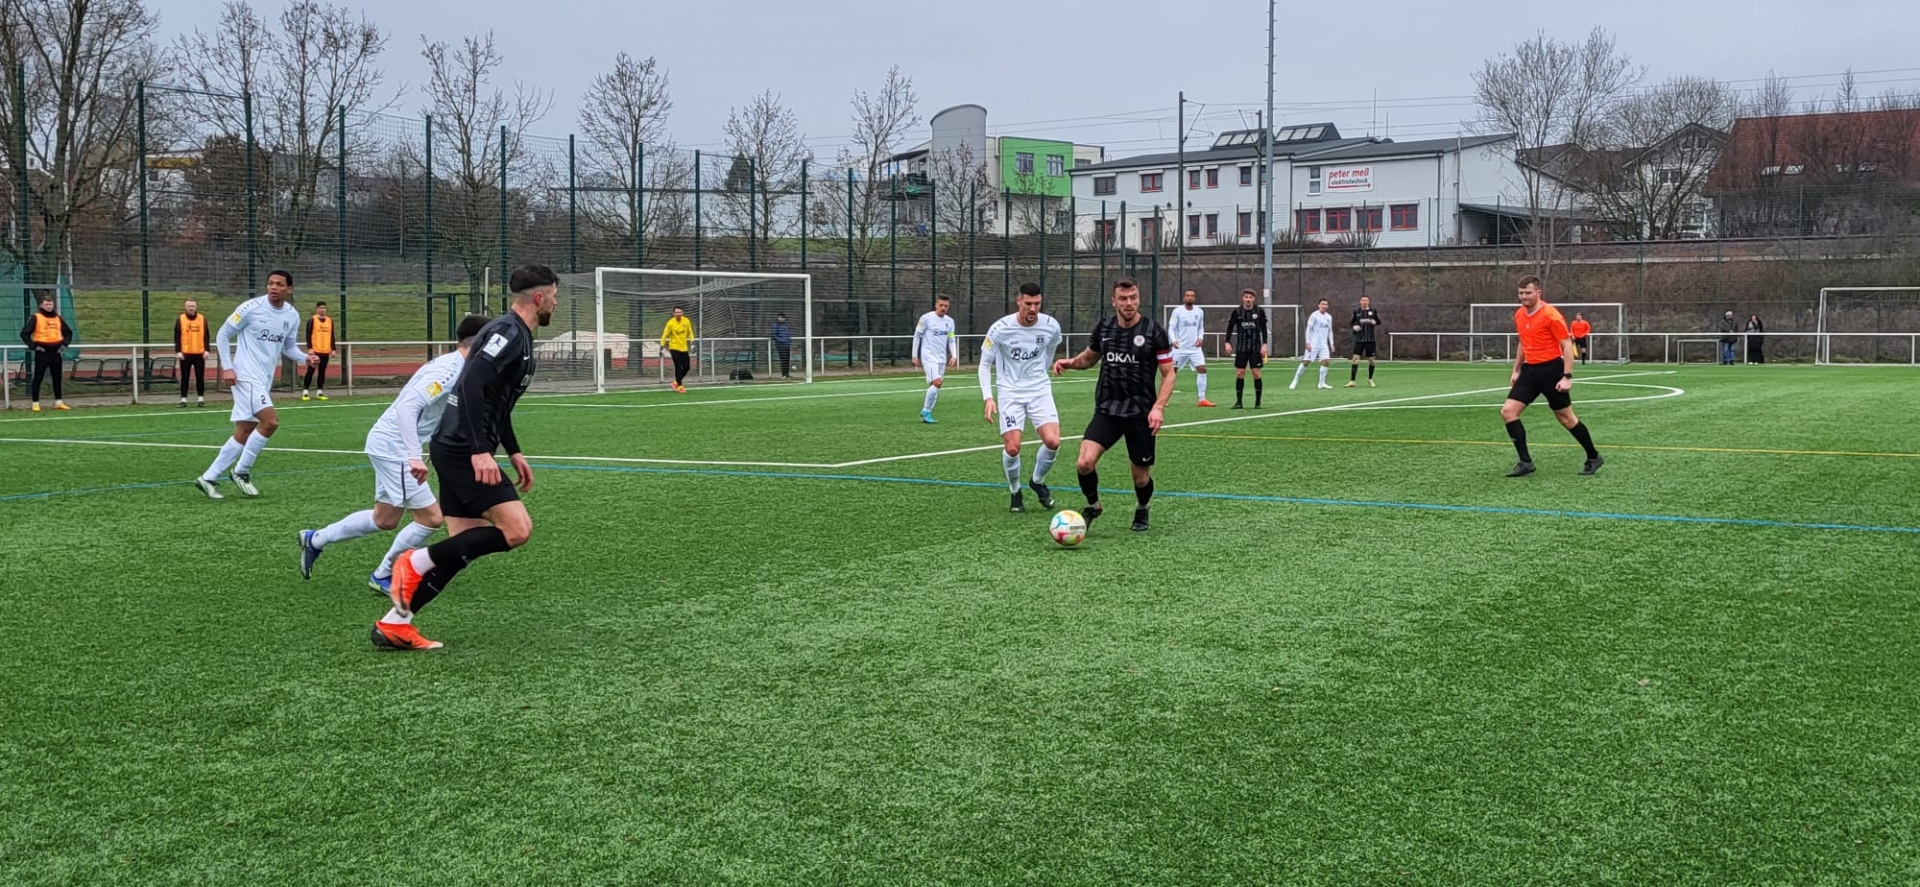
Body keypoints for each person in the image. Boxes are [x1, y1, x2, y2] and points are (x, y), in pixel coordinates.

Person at [382, 264, 557, 651]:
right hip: (462, 448)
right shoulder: (508, 332)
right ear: (539, 298)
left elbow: (498, 403)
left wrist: (513, 450)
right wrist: (480, 451)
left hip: (456, 446)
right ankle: (413, 561)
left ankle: (396, 622)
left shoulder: (519, 335)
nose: (555, 304)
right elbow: (472, 383)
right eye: (554, 297)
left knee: (462, 547)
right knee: (517, 530)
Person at [300, 314, 489, 593]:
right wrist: (413, 455)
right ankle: (384, 574)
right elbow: (407, 407)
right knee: (431, 519)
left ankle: (315, 539)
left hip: (390, 443)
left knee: (384, 519)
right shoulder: (449, 370)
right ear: (480, 342)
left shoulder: (457, 366)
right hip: (395, 446)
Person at [1052, 278, 1176, 533]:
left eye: (1133, 298)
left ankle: (1142, 507)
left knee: (1140, 479)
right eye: (1123, 298)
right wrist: (1070, 363)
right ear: (1114, 301)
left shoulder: (1153, 331)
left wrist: (1158, 407)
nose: (1129, 303)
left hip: (1140, 412)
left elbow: (1169, 374)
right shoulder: (1104, 328)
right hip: (1108, 409)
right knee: (1084, 463)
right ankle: (1093, 506)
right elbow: (1089, 358)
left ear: (1139, 299)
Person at [193, 270, 315, 499]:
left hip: (263, 378)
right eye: (270, 283)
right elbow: (223, 334)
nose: (273, 287)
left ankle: (207, 478)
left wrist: (305, 358)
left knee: (245, 430)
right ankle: (241, 471)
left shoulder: (292, 315)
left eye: (279, 284)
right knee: (270, 422)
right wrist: (227, 367)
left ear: (289, 289)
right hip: (245, 376)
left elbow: (289, 347)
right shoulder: (250, 308)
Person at [1502, 275, 1602, 477]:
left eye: (1528, 293)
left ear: (1538, 293)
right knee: (1508, 412)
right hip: (1530, 371)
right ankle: (1525, 462)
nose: (1524, 297)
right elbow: (1523, 342)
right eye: (1521, 293)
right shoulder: (1520, 315)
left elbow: (1566, 345)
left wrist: (1567, 376)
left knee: (1566, 419)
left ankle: (1593, 456)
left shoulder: (1550, 315)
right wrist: (1516, 369)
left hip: (1551, 371)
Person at [980, 283, 1065, 513]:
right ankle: (1015, 490)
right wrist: (988, 398)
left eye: (1037, 304)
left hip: (1039, 390)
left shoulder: (1051, 326)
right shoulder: (1000, 329)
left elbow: (1050, 350)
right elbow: (985, 364)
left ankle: (1037, 481)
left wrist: (1041, 374)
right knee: (1013, 448)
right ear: (1019, 301)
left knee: (1053, 442)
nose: (1033, 309)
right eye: (1028, 303)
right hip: (1010, 392)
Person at [19, 292, 73, 412]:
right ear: (41, 305)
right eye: (46, 304)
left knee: (57, 378)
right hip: (42, 352)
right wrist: (34, 346)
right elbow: (24, 333)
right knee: (38, 378)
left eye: (50, 304)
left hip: (56, 352)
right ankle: (35, 403)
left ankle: (58, 402)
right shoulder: (36, 317)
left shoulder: (58, 318)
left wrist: (64, 345)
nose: (49, 306)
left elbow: (68, 333)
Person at [911, 295, 959, 423]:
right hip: (928, 355)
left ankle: (927, 414)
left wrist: (954, 355)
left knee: (935, 386)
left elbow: (951, 339)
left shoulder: (950, 321)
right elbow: (917, 336)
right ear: (936, 305)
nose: (943, 308)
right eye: (941, 305)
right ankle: (926, 410)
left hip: (941, 358)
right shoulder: (926, 318)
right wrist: (914, 355)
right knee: (937, 382)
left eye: (946, 306)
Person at [1168, 290, 1216, 408]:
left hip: (1195, 348)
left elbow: (1200, 328)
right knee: (1171, 372)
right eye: (1188, 296)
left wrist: (1200, 338)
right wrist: (1173, 340)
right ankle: (1164, 399)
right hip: (1180, 348)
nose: (1190, 298)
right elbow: (1171, 328)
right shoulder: (1177, 311)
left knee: (1202, 369)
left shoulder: (1199, 311)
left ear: (1194, 298)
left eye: (1192, 296)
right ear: (1184, 298)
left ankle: (1202, 399)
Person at [1223, 288, 1268, 409]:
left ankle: (1257, 402)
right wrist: (1227, 342)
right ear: (1243, 298)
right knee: (1240, 373)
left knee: (1256, 373)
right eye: (1246, 297)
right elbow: (1230, 327)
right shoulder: (1237, 312)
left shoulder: (1259, 311)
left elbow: (1264, 328)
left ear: (1254, 299)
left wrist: (1264, 344)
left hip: (1255, 347)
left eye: (1250, 297)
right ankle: (1239, 402)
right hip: (1241, 347)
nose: (1248, 299)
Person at [1291, 298, 1335, 390]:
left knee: (1326, 361)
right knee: (1306, 362)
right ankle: (1295, 381)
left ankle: (1321, 383)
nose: (1324, 306)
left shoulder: (1329, 317)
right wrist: (1307, 342)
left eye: (1326, 304)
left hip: (1324, 344)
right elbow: (1309, 329)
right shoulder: (1314, 315)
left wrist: (1331, 343)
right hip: (1314, 343)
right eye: (1322, 304)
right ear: (1319, 305)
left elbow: (1330, 331)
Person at [174, 299, 209, 407]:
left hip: (199, 353)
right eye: (189, 306)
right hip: (185, 354)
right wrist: (178, 351)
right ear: (185, 307)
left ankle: (201, 399)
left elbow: (206, 336)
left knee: (200, 377)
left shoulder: (202, 319)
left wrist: (207, 350)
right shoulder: (181, 319)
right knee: (185, 377)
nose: (191, 308)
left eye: (193, 306)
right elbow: (177, 336)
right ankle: (183, 400)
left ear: (196, 307)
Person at [302, 301, 336, 401]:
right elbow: (308, 335)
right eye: (320, 308)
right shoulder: (312, 320)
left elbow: (332, 336)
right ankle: (305, 392)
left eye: (324, 308)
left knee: (322, 371)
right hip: (315, 351)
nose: (322, 310)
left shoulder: (329, 321)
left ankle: (319, 392)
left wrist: (333, 348)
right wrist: (310, 348)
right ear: (317, 309)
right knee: (310, 371)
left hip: (325, 350)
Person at [1347, 296, 1382, 387]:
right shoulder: (1357, 311)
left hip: (1370, 340)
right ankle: (1352, 381)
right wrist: (1354, 327)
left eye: (1366, 300)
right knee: (1355, 359)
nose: (1364, 302)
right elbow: (1351, 323)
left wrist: (1375, 322)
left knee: (1372, 360)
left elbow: (1379, 321)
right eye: (1363, 300)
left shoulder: (1373, 311)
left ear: (1368, 302)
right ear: (1360, 302)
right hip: (1359, 340)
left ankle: (1370, 379)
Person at [661, 306, 693, 392]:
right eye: (676, 312)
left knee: (687, 367)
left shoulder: (686, 321)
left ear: (682, 313)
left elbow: (690, 332)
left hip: (684, 348)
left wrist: (692, 342)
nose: (678, 314)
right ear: (673, 314)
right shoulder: (670, 323)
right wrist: (662, 345)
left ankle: (675, 382)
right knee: (678, 366)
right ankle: (680, 386)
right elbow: (665, 335)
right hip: (674, 347)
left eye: (680, 312)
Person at [771, 312, 793, 379]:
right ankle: (783, 374)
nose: (782, 319)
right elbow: (773, 336)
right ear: (778, 317)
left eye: (783, 317)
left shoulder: (785, 325)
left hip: (787, 344)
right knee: (783, 359)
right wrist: (782, 340)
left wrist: (789, 339)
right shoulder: (775, 325)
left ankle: (787, 374)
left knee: (787, 359)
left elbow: (787, 334)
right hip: (780, 345)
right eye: (780, 317)